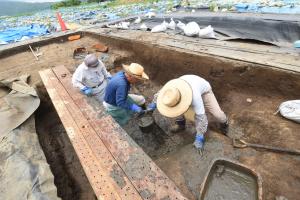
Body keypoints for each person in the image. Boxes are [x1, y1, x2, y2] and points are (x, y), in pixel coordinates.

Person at [156, 75, 228, 152]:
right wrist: (152, 106)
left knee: (218, 114)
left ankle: (225, 124)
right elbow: (159, 96)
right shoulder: (170, 90)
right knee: (177, 110)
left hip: (205, 92)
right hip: (185, 90)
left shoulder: (195, 97)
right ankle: (181, 125)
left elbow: (201, 118)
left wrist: (199, 136)